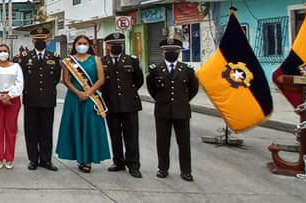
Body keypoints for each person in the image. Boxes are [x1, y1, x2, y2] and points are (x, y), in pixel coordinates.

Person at [146, 38, 199, 181]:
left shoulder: (187, 70)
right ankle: (163, 168)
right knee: (162, 142)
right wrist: (161, 100)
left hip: (182, 111)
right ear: (163, 52)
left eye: (174, 50)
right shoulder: (156, 70)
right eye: (167, 50)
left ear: (179, 52)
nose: (171, 53)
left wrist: (183, 101)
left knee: (184, 143)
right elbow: (151, 88)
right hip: (162, 111)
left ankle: (186, 171)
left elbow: (193, 88)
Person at [56, 35, 110, 172]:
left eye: (85, 43)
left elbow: (101, 79)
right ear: (74, 45)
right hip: (74, 98)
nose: (82, 45)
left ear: (89, 45)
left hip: (91, 98)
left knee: (90, 127)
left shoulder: (96, 59)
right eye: (79, 43)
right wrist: (78, 93)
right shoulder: (68, 61)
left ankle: (88, 160)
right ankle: (79, 157)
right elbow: (66, 80)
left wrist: (88, 92)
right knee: (76, 126)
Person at [17, 27, 62, 171]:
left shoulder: (54, 57)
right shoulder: (25, 58)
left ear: (47, 41)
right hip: (31, 99)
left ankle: (46, 160)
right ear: (33, 40)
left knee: (46, 131)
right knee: (31, 131)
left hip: (48, 100)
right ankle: (33, 160)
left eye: (43, 39)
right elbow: (21, 77)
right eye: (37, 39)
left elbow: (56, 79)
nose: (40, 42)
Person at [101, 32, 144, 178]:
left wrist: (127, 93)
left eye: (119, 44)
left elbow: (138, 81)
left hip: (129, 104)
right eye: (114, 44)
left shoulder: (132, 61)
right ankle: (118, 162)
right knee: (115, 135)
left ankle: (133, 165)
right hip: (110, 105)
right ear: (108, 46)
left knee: (131, 136)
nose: (117, 46)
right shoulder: (102, 62)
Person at [0, 44, 23, 169]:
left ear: (9, 53)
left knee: (11, 129)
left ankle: (10, 157)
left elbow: (20, 83)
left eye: (5, 51)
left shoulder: (16, 67)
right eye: (0, 51)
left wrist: (10, 95)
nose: (3, 53)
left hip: (13, 100)